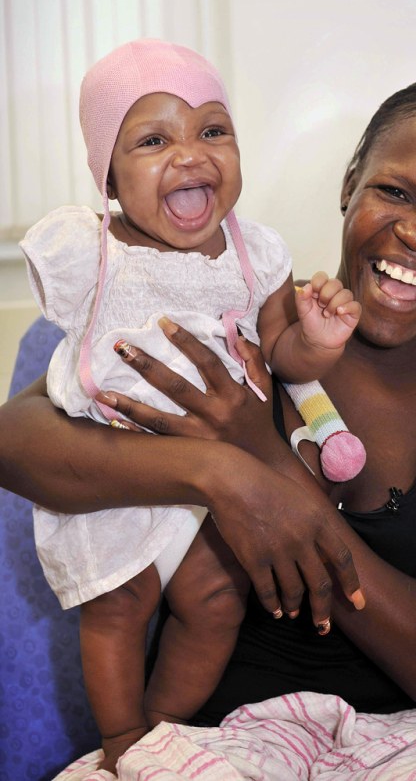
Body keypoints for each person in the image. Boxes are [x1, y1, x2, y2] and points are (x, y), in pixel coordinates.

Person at [2, 72, 416, 779]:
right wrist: (219, 470)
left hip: (410, 741)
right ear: (350, 185)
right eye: (394, 191)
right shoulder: (240, 318)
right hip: (215, 739)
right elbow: (15, 442)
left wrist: (262, 455)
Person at [17, 39, 365, 772]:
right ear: (109, 175)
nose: (190, 154)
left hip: (214, 497)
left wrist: (319, 341)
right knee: (117, 610)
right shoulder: (95, 250)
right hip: (121, 475)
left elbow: (282, 350)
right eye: (152, 140)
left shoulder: (253, 252)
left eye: (213, 130)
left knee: (214, 604)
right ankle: (120, 748)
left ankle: (162, 735)